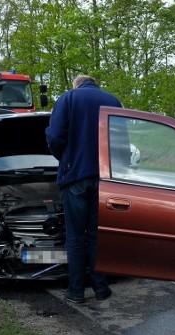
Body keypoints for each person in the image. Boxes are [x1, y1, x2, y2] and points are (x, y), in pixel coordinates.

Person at [45, 74, 122, 305]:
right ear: (94, 83)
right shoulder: (113, 101)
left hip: (75, 177)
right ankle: (101, 288)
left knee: (76, 237)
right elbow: (121, 139)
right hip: (105, 178)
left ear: (76, 84)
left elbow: (55, 136)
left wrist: (66, 159)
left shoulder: (68, 99)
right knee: (97, 235)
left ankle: (76, 291)